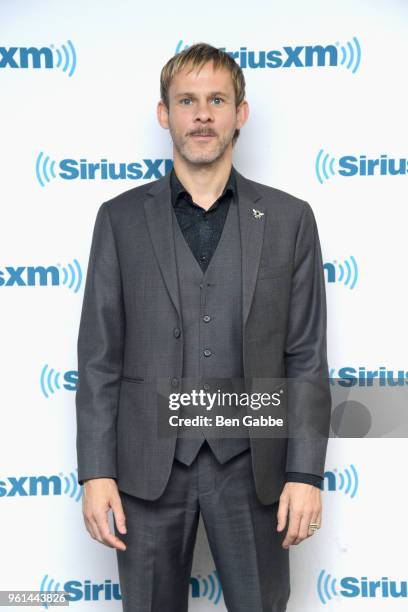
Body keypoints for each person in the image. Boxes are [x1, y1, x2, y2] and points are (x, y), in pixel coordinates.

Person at [75, 42, 331, 612]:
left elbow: (306, 357)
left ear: (240, 113)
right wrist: (95, 472)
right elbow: (98, 359)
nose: (202, 114)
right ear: (164, 113)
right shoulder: (117, 219)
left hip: (253, 470)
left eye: (217, 99)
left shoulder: (290, 220)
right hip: (146, 473)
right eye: (187, 101)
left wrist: (304, 473)